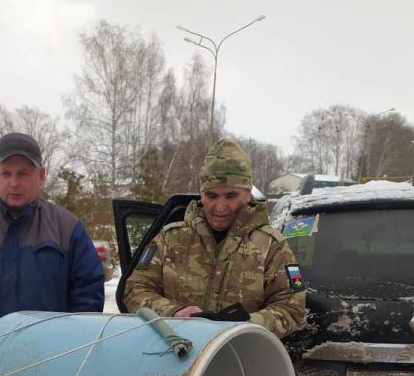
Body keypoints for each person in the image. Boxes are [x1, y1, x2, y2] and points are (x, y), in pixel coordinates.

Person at [0, 132, 104, 352]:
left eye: (23, 173)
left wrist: (70, 346)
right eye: (6, 173)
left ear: (40, 175)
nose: (14, 183)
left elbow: (88, 292)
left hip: (53, 361)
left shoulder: (68, 228)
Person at [124, 139, 305, 338]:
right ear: (201, 195)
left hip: (239, 357)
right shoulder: (170, 239)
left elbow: (291, 308)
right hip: (175, 354)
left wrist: (242, 327)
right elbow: (135, 290)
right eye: (211, 196)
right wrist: (173, 313)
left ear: (247, 194)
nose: (219, 207)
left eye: (230, 195)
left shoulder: (272, 246)